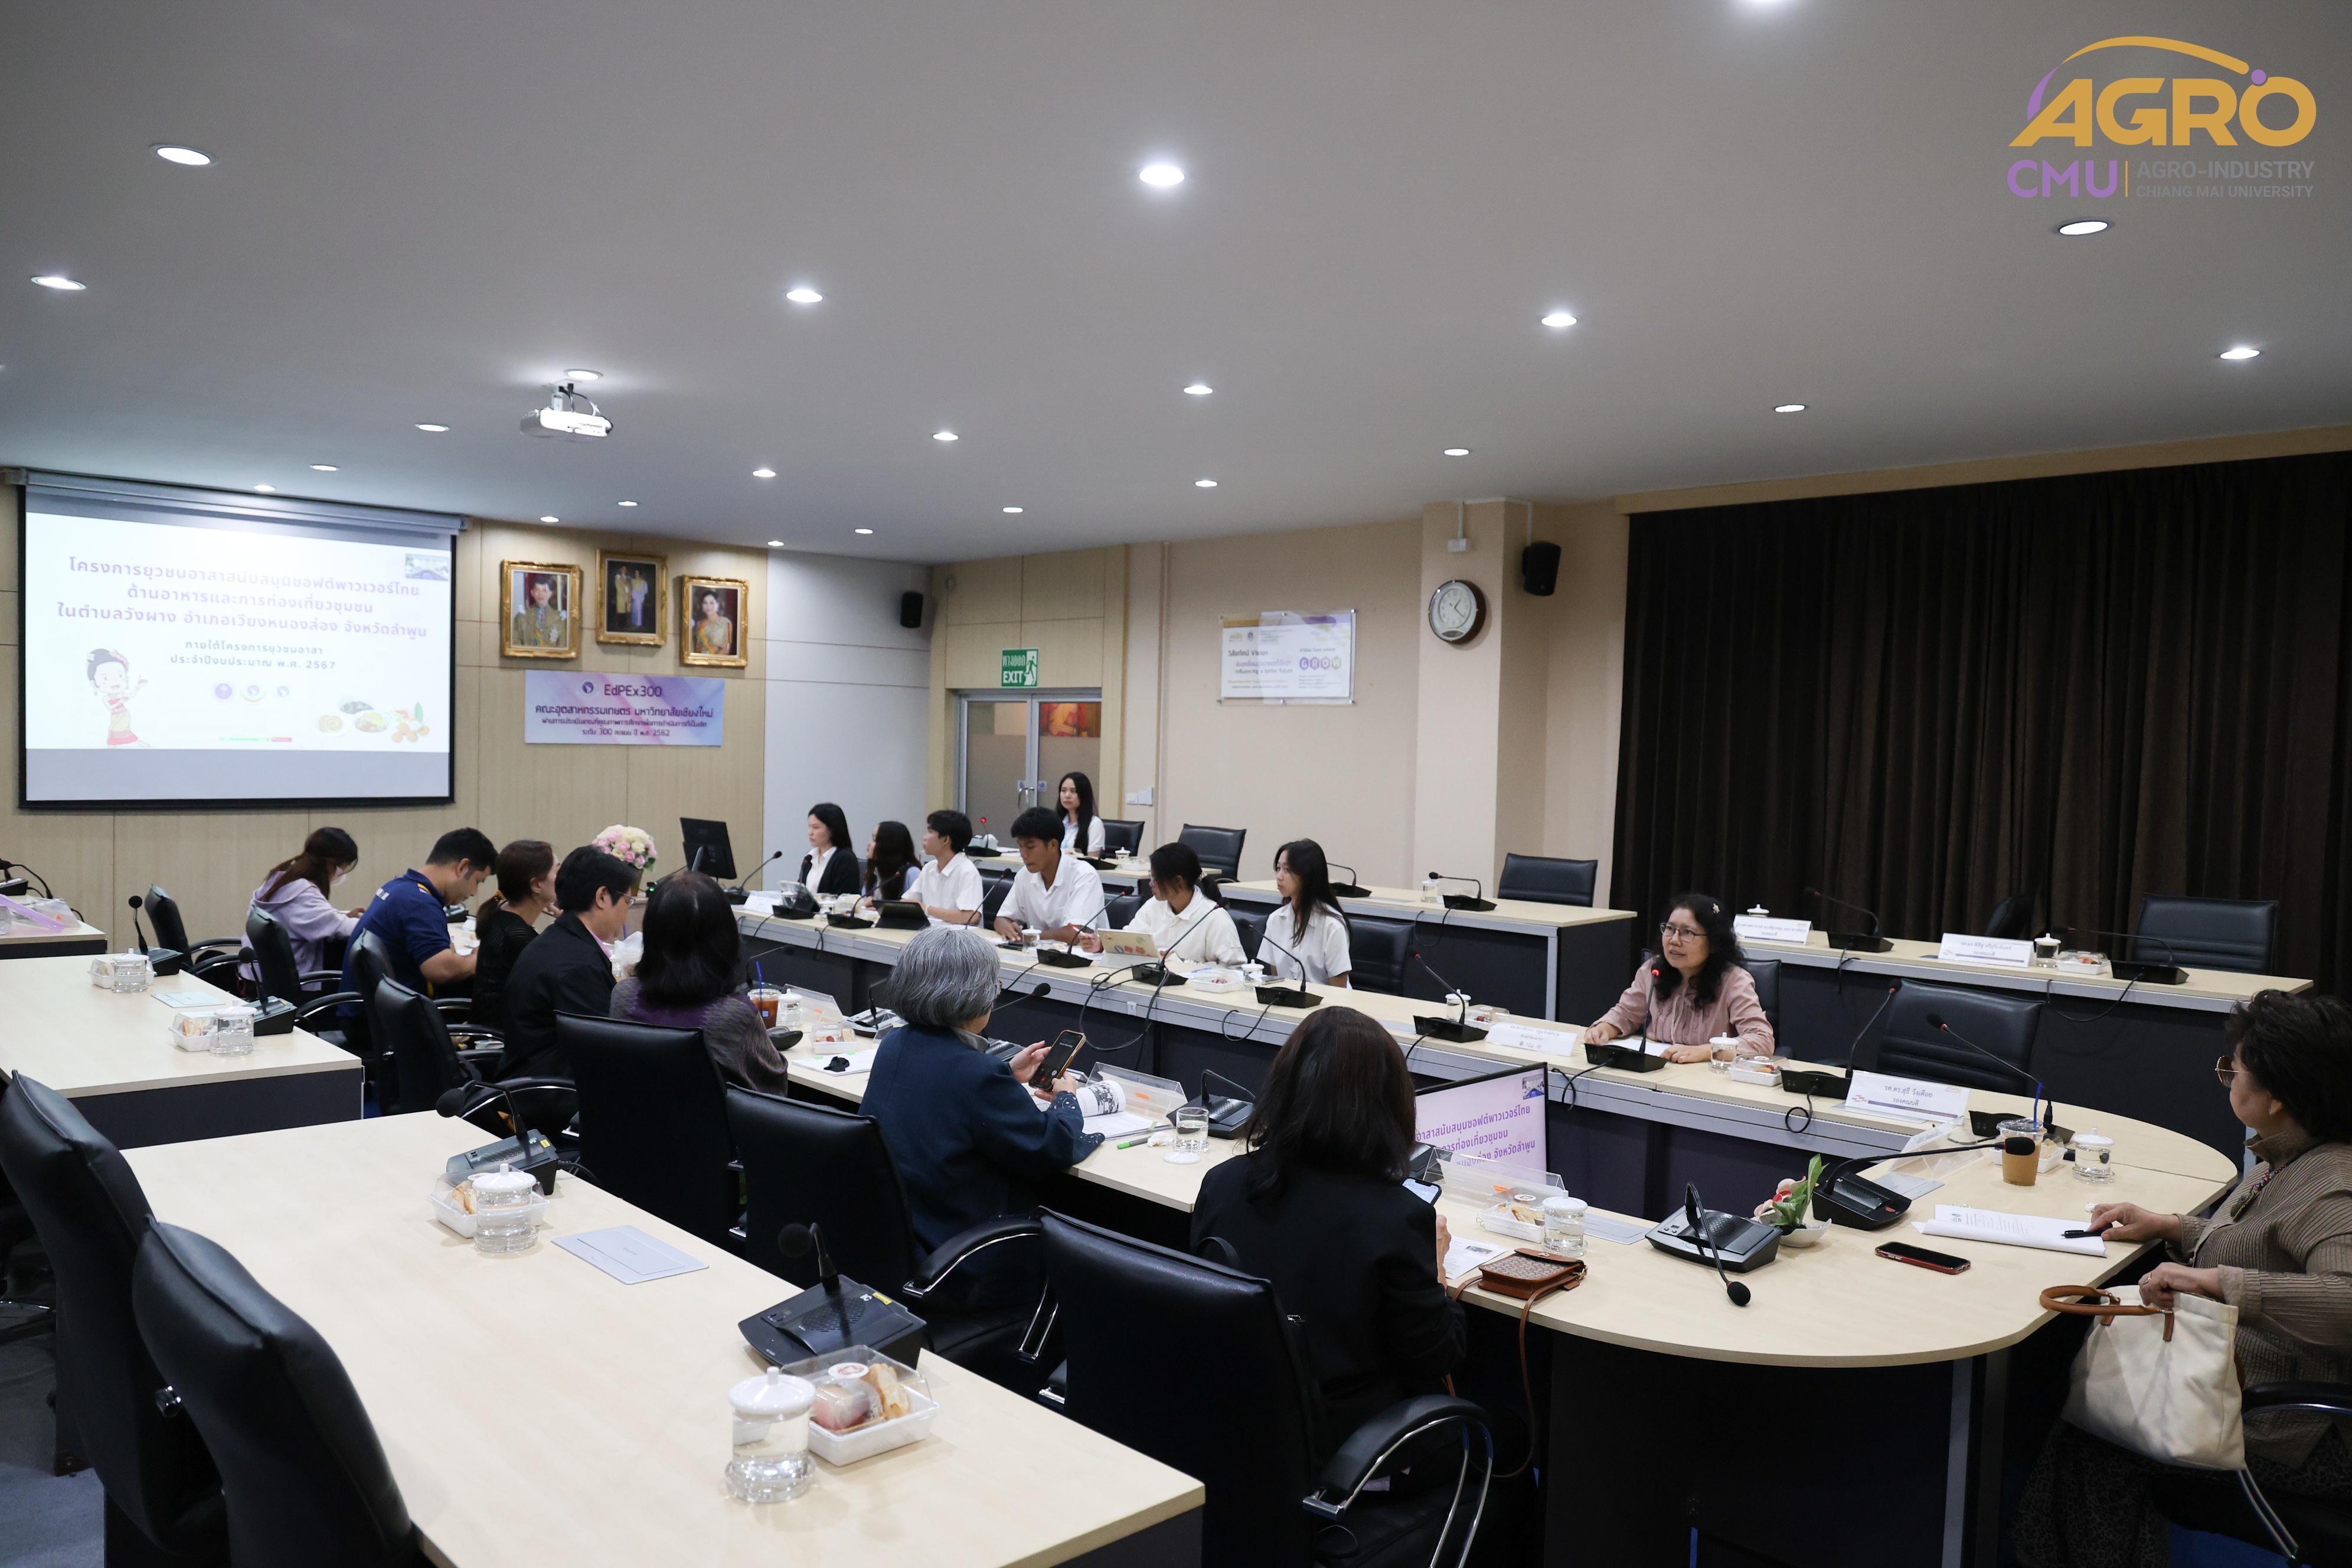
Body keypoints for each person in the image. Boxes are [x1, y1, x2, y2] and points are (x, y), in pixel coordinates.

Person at [2013, 990, 2352, 1568]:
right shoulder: (2291, 1156)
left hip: (2298, 1433)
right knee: (2088, 1408)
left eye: (2234, 1069)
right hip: (2243, 1385)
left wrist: (2220, 1283)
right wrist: (2173, 1226)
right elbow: (2264, 1245)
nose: (2227, 1079)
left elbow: (2345, 1301)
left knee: (2101, 1438)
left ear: (2276, 1096)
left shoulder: (2334, 1187)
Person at [1191, 1007, 1465, 1459]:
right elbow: (1437, 1356)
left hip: (1232, 1426)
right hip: (1348, 1451)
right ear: (1390, 1105)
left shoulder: (1222, 1184)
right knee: (1508, 1436)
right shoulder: (1397, 1217)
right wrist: (1436, 1268)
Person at [860, 925, 1099, 1305]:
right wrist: (1067, 1099)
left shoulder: (895, 1043)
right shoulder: (976, 1075)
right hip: (962, 1261)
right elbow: (1052, 1148)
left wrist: (1004, 1072)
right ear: (978, 994)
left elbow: (947, 1089)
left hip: (902, 1242)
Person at [610, 871, 791, 1094]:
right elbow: (775, 1086)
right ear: (725, 940)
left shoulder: (623, 997)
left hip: (634, 1116)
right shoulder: (733, 1016)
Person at [496, 845, 636, 1081]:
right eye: (627, 901)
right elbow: (601, 1052)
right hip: (550, 1090)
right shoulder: (579, 966)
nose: (627, 913)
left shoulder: (557, 939)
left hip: (534, 1074)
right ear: (603, 897)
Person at [1585, 893, 1773, 1061]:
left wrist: (1705, 1051)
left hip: (1708, 1078)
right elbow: (1626, 1014)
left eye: (1687, 933)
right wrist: (1605, 1028)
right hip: (1657, 1070)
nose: (1674, 940)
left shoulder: (1734, 981)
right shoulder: (1653, 970)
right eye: (1670, 929)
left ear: (1714, 943)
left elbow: (1762, 1040)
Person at [339, 828, 495, 1011]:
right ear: (462, 868)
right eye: (478, 881)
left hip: (371, 1011)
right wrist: (480, 957)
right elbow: (441, 970)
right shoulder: (419, 903)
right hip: (391, 1019)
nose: (475, 892)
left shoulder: (400, 887)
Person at [1079, 842, 1246, 966]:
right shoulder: (1154, 906)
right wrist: (1102, 944)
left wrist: (1183, 964)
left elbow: (1236, 970)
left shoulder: (1214, 917)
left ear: (1178, 881)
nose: (1150, 884)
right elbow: (1130, 940)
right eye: (1150, 876)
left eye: (1155, 878)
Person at [469, 839, 554, 1030]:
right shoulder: (518, 937)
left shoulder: (501, 912)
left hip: (496, 1027)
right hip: (503, 1037)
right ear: (536, 885)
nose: (562, 878)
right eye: (557, 870)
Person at [995, 806, 1105, 946]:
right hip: (1038, 954)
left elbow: (1074, 934)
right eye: (1020, 846)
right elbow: (1001, 919)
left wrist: (1029, 937)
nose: (1024, 854)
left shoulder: (1084, 875)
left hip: (1082, 956)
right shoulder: (1025, 875)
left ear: (1053, 845)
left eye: (1030, 847)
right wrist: (1007, 928)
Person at [1262, 839, 1352, 986]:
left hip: (1326, 1001)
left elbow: (1338, 991)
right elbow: (1277, 980)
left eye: (1287, 870)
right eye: (1278, 868)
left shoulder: (1332, 926)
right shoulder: (1275, 920)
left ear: (1308, 875)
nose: (1279, 876)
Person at [913, 809, 986, 926]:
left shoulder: (967, 871)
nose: (925, 837)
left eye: (930, 832)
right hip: (930, 933)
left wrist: (927, 909)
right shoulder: (928, 868)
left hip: (957, 936)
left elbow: (970, 917)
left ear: (945, 839)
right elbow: (909, 902)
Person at [797, 802, 861, 896]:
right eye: (809, 827)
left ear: (832, 830)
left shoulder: (845, 859)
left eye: (816, 828)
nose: (810, 832)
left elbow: (842, 897)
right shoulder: (810, 857)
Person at [864, 819, 920, 903]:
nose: (869, 844)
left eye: (874, 840)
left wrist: (879, 906)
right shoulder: (875, 869)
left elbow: (917, 907)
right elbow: (864, 900)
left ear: (889, 846)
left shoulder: (912, 873)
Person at [510, 572, 567, 648]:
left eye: (544, 590)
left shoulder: (559, 619)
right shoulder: (521, 617)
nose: (541, 594)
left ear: (550, 593)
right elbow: (515, 643)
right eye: (537, 590)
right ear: (532, 593)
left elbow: (563, 645)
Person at [1056, 772, 1106, 855]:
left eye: (1073, 791)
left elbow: (1093, 859)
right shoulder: (1057, 821)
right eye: (1063, 791)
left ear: (1084, 795)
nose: (1067, 796)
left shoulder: (1095, 824)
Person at [693, 589, 733, 656]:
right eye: (705, 603)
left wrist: (712, 660)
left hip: (718, 660)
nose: (708, 606)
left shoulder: (725, 622)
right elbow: (697, 647)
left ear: (717, 605)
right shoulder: (700, 624)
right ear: (702, 605)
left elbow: (726, 649)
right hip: (701, 660)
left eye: (711, 603)